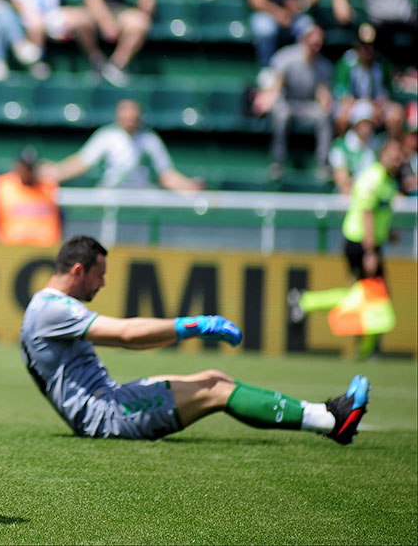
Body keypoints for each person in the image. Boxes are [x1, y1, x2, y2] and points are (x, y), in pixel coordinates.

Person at [21, 234, 370, 444]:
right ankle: (331, 421)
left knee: (219, 379)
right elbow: (127, 335)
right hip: (104, 415)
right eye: (100, 275)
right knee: (217, 389)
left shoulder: (47, 307)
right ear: (78, 271)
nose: (103, 284)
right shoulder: (53, 308)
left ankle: (324, 414)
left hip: (105, 402)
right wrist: (195, 325)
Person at [288, 138, 407, 358]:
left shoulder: (388, 181)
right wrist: (370, 252)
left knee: (366, 296)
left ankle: (308, 303)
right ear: (382, 156)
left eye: (400, 155)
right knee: (373, 297)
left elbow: (377, 214)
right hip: (360, 243)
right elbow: (367, 213)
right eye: (393, 154)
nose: (398, 159)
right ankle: (366, 350)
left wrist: (387, 234)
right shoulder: (374, 179)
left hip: (369, 242)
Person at [45, 98, 204, 191]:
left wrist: (188, 186)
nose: (129, 122)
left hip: (139, 197)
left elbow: (166, 174)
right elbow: (82, 162)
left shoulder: (150, 140)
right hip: (111, 196)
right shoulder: (106, 136)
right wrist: (56, 172)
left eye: (133, 118)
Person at [252, 24, 333, 181]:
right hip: (287, 103)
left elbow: (322, 94)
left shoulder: (323, 66)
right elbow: (277, 86)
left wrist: (327, 103)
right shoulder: (287, 58)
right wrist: (267, 99)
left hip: (306, 106)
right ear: (304, 40)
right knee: (281, 114)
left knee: (324, 116)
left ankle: (323, 164)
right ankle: (278, 162)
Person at [8, 0, 95, 81]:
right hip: (29, 16)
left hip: (52, 15)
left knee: (83, 17)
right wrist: (27, 12)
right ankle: (38, 62)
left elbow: (59, 4)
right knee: (37, 23)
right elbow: (15, 1)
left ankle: (95, 60)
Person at [81, 0, 155, 87]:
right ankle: (97, 62)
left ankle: (116, 65)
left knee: (141, 23)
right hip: (97, 13)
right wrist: (105, 21)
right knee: (81, 21)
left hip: (120, 11)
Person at [0, 146, 62, 247]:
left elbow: (60, 217)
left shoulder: (49, 186)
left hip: (44, 250)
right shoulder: (2, 185)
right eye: (25, 167)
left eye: (31, 168)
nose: (28, 172)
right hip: (11, 249)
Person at [332, 23, 403, 139]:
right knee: (341, 116)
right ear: (357, 45)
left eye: (372, 46)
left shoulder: (382, 65)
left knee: (396, 113)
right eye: (364, 45)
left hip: (375, 106)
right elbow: (341, 92)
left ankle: (391, 150)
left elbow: (386, 93)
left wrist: (379, 106)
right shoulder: (347, 62)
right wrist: (355, 104)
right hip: (354, 104)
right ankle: (342, 149)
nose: (368, 50)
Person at [329, 100, 381, 195]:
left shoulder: (376, 146)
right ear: (355, 124)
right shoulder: (340, 146)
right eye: (363, 123)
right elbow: (342, 181)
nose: (367, 127)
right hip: (347, 198)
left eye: (369, 123)